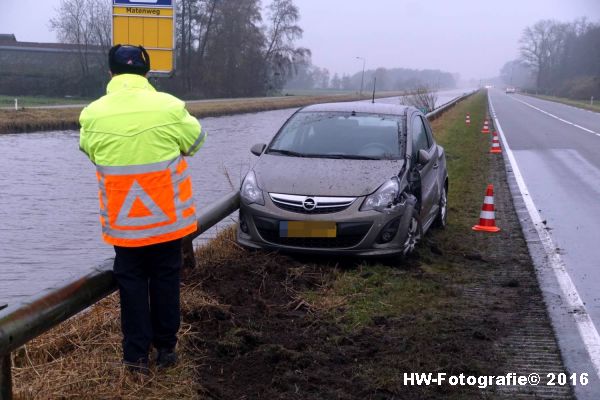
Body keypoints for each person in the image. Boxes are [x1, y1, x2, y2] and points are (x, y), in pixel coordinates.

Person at [79, 45, 206, 373]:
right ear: (147, 74)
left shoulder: (93, 113)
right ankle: (166, 350)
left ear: (111, 73)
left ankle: (135, 357)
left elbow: (91, 152)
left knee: (131, 284)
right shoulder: (169, 106)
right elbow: (195, 142)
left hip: (124, 224)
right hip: (166, 220)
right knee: (165, 278)